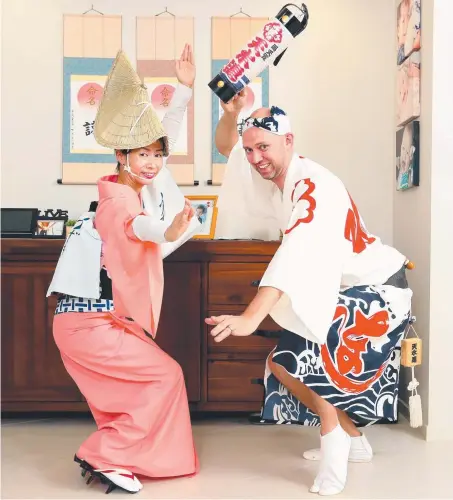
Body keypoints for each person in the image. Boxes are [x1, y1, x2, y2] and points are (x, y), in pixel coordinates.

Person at [208, 97, 413, 496]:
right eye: (250, 149)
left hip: (379, 292)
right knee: (281, 363)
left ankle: (334, 438)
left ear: (289, 140)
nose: (254, 157)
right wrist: (231, 115)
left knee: (295, 358)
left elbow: (295, 251)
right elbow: (224, 146)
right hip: (347, 287)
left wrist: (251, 318)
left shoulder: (314, 185)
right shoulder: (274, 176)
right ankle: (355, 441)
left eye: (263, 147)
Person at [48, 45, 200, 494]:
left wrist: (185, 90)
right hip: (89, 324)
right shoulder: (118, 203)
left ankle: (116, 457)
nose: (153, 162)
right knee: (165, 375)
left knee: (135, 388)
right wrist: (169, 228)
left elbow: (162, 135)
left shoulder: (130, 185)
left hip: (90, 321)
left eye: (157, 155)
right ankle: (103, 453)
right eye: (143, 155)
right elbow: (138, 229)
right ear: (121, 155)